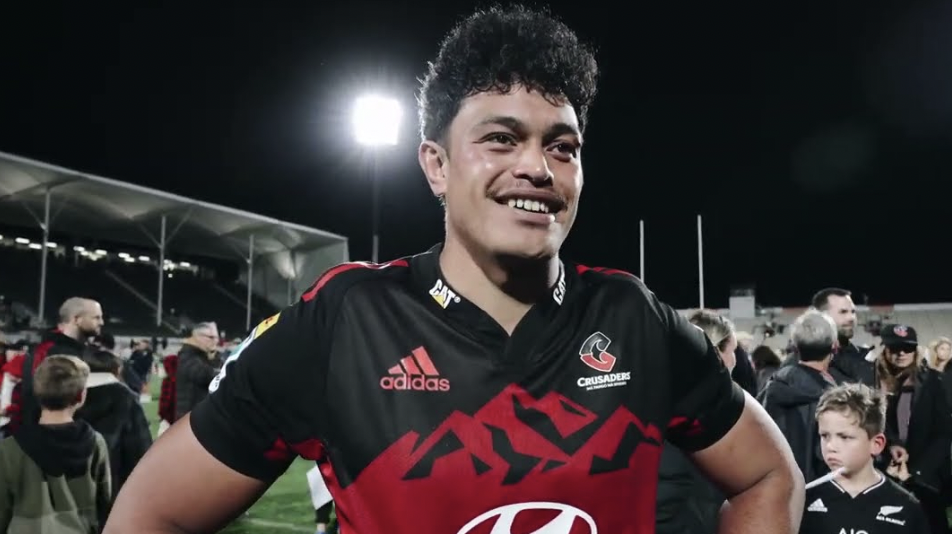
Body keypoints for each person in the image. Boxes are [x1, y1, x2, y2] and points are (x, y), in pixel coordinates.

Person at [105, 6, 803, 534]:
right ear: (435, 165)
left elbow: (769, 475)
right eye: (500, 138)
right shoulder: (346, 321)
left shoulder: (633, 319)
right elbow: (152, 513)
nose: (536, 167)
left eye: (562, 147)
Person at [0, 355, 111, 533]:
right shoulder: (95, 443)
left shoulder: (9, 449)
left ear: (37, 392)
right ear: (81, 396)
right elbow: (105, 503)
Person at [800, 383, 930, 533]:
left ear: (876, 444)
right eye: (825, 436)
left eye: (844, 437)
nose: (830, 446)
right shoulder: (804, 500)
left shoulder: (905, 507)